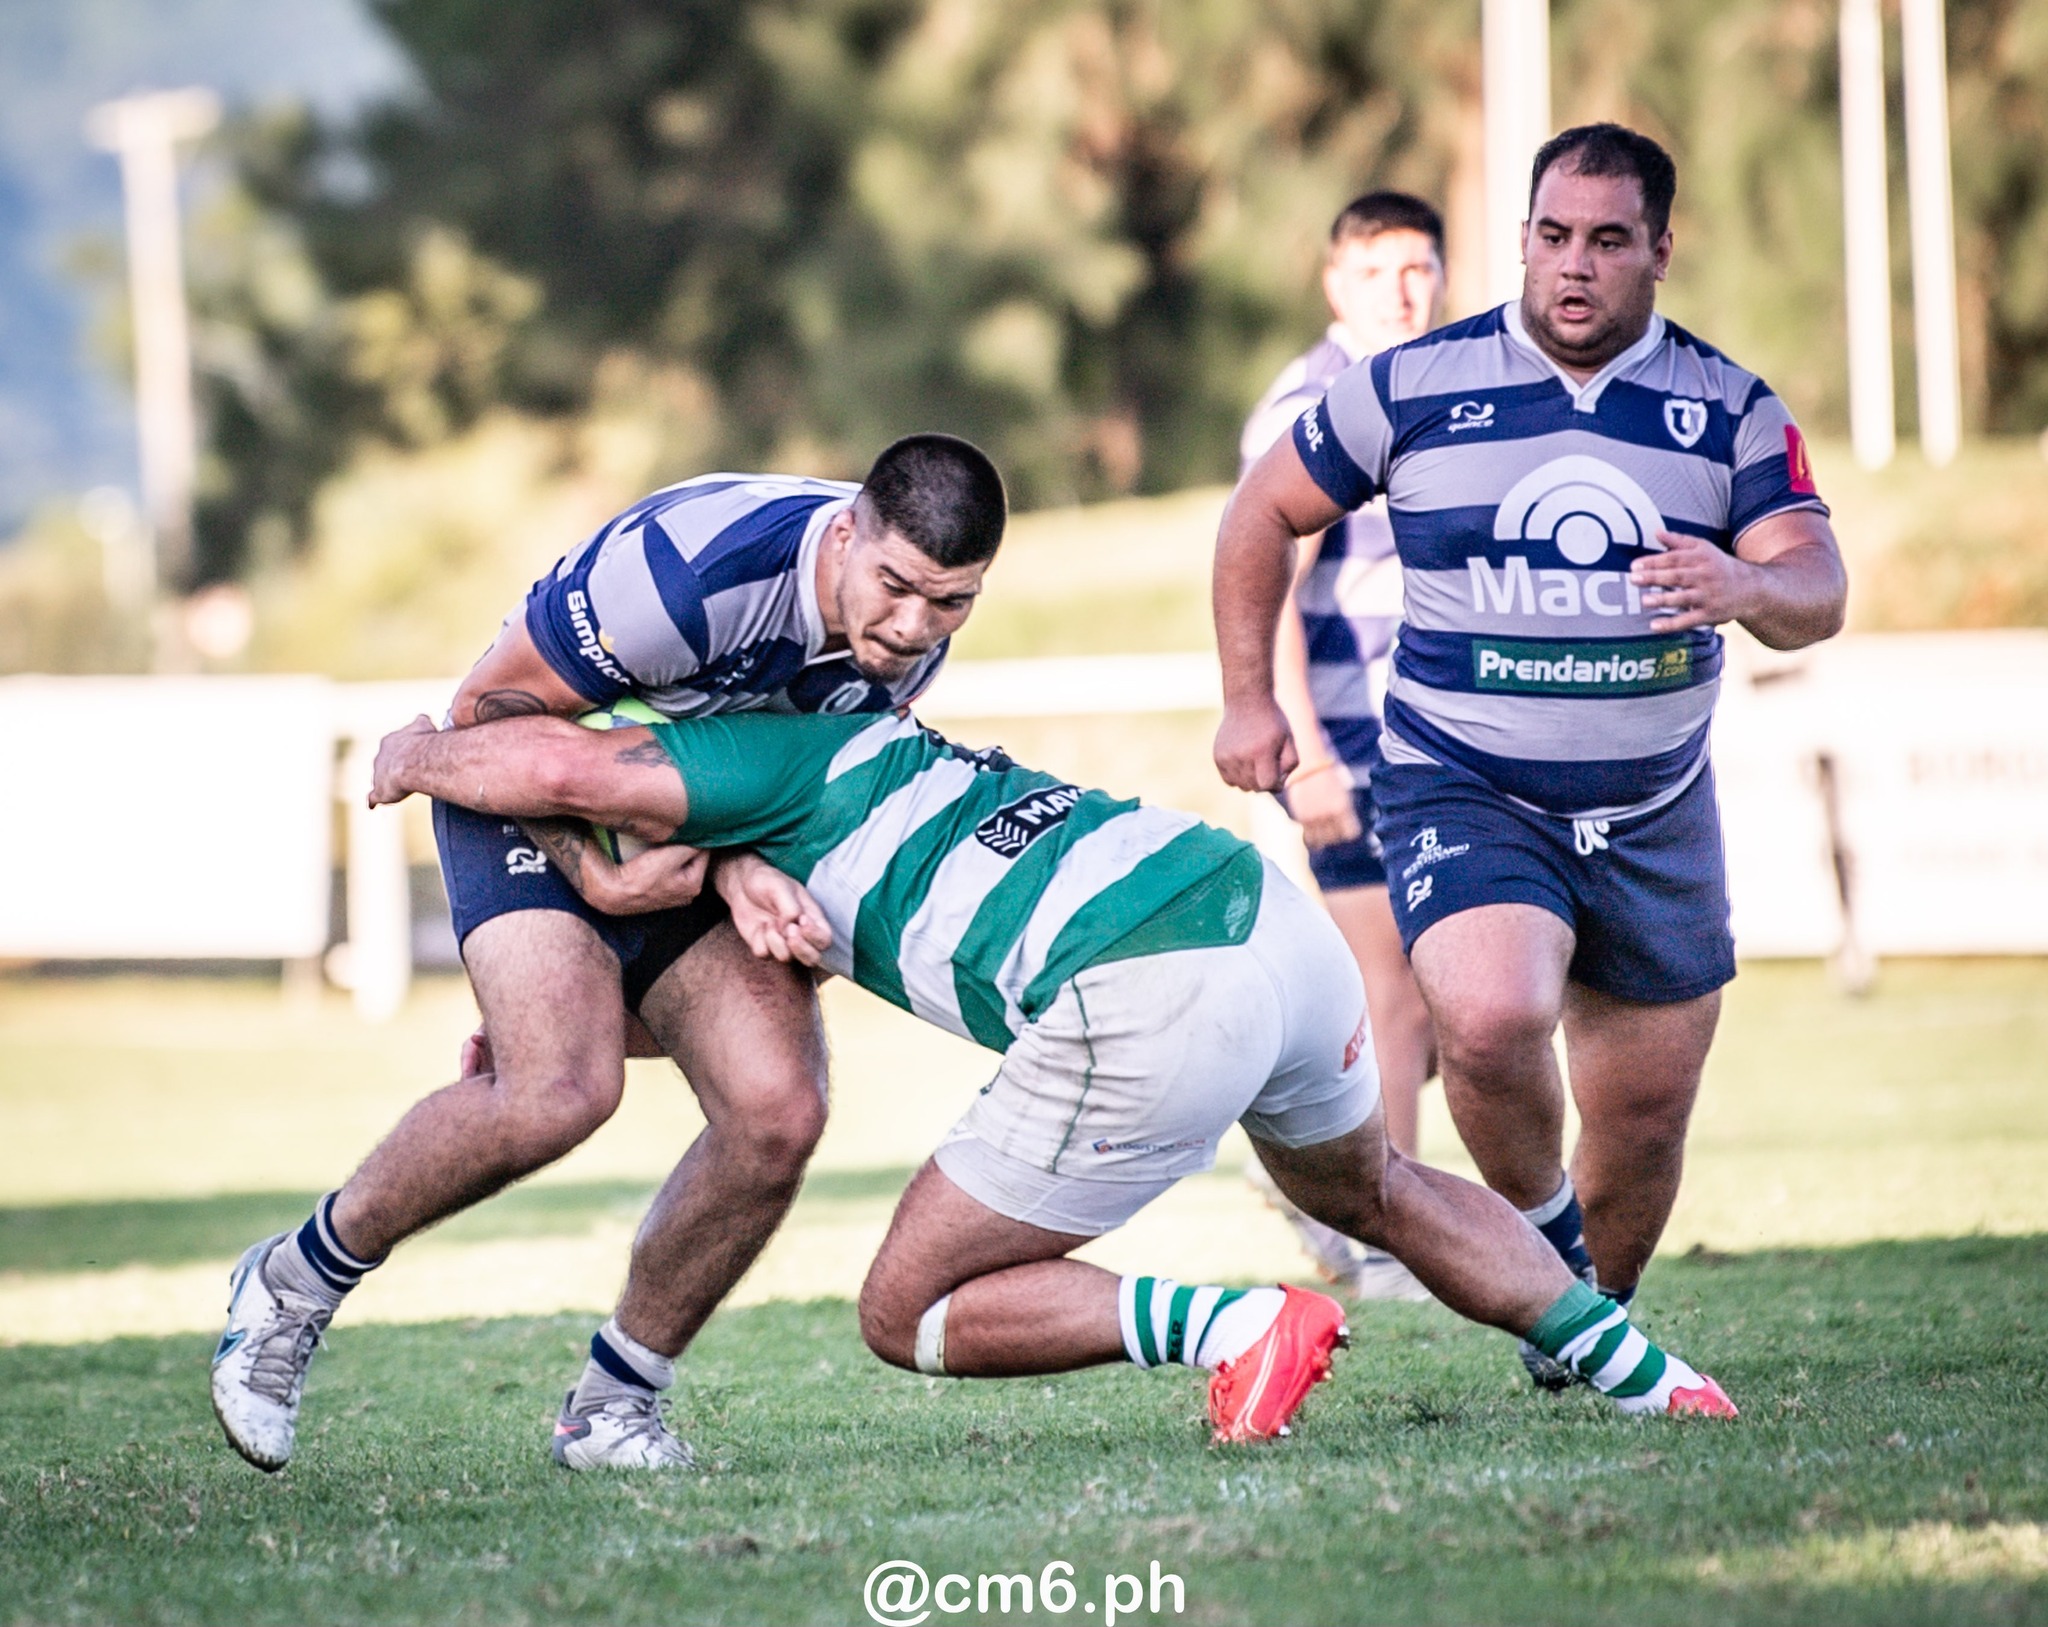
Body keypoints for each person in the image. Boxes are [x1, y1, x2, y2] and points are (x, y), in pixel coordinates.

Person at [360, 703, 1739, 1443]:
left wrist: (419, 751)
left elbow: (561, 758)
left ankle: (1233, 1332)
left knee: (907, 1309)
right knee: (1376, 1181)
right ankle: (1651, 1374)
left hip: (1142, 985)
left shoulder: (742, 752)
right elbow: (674, 925)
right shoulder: (867, 758)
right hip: (1255, 911)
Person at [210, 435, 1007, 1474]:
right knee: (559, 1088)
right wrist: (592, 880)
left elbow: (771, 774)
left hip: (679, 828)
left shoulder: (907, 631)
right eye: (896, 587)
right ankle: (292, 1281)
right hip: (514, 787)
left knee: (777, 1110)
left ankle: (611, 1409)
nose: (912, 627)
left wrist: (746, 874)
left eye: (949, 602)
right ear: (847, 532)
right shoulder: (691, 574)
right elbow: (495, 717)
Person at [1211, 123, 1847, 1388]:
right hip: (1465, 781)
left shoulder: (1725, 406)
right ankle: (1548, 1255)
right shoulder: (1408, 385)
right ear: (1519, 240)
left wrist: (1735, 580)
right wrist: (1246, 700)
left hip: (1657, 805)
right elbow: (1259, 513)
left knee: (1643, 1117)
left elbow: (1816, 585)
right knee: (1489, 1017)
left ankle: (1582, 1327)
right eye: (1550, 237)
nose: (1572, 265)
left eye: (1607, 241)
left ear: (1659, 249)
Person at [1238, 190, 1447, 1303]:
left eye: (1416, 269)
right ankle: (1384, 1236)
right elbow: (1265, 585)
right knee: (1395, 993)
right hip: (1349, 739)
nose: (1399, 292)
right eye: (1373, 273)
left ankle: (1324, 1185)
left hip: (1438, 739)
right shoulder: (1310, 404)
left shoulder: (1446, 382)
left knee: (1443, 995)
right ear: (1334, 285)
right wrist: (1304, 753)